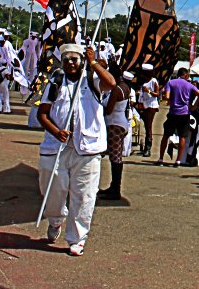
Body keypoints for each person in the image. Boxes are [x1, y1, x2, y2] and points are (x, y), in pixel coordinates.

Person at [36, 43, 116, 256]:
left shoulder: (92, 80)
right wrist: (56, 131)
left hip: (87, 149)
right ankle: (55, 220)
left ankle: (77, 239)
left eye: (75, 59)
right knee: (52, 189)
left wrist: (93, 62)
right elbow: (42, 114)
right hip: (57, 147)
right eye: (67, 60)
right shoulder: (56, 82)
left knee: (84, 196)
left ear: (81, 61)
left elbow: (112, 83)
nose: (71, 63)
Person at [156, 68, 199, 167]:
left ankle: (161, 158)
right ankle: (178, 160)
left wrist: (171, 99)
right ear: (185, 75)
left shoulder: (171, 83)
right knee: (182, 137)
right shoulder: (189, 85)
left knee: (166, 135)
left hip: (173, 112)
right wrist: (193, 106)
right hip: (185, 113)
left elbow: (167, 96)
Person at [99, 67, 132, 200]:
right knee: (115, 155)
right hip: (119, 122)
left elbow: (109, 109)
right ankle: (114, 187)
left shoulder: (117, 89)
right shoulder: (124, 87)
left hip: (114, 124)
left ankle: (115, 189)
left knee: (115, 157)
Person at [136, 64, 160, 157]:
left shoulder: (153, 81)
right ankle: (146, 146)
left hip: (151, 105)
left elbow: (157, 94)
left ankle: (148, 148)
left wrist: (148, 91)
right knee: (146, 126)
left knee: (148, 126)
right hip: (145, 104)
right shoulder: (144, 81)